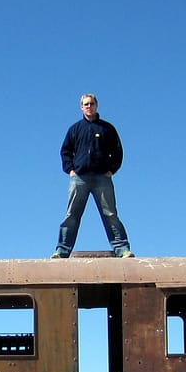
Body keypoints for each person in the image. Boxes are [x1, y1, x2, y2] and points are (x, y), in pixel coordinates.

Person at [51, 93, 134, 258]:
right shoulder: (75, 129)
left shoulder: (107, 128)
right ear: (81, 107)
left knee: (110, 214)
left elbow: (117, 151)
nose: (89, 107)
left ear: (97, 105)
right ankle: (62, 250)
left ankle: (122, 249)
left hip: (102, 178)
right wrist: (71, 170)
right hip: (79, 178)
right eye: (86, 104)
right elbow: (65, 151)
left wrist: (111, 169)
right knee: (72, 215)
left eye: (91, 104)